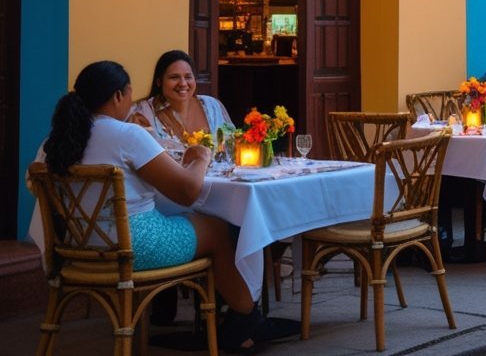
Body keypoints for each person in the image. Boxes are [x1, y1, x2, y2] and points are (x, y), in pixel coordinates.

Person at [38, 61, 294, 352]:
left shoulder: (56, 141)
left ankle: (237, 318)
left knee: (196, 220)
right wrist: (199, 158)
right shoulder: (126, 135)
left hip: (76, 246)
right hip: (135, 247)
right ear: (118, 96)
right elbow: (186, 191)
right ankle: (246, 317)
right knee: (219, 228)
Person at [129, 50, 234, 144]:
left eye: (188, 77)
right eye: (174, 77)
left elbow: (232, 147)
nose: (183, 83)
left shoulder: (212, 105)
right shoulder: (143, 113)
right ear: (159, 82)